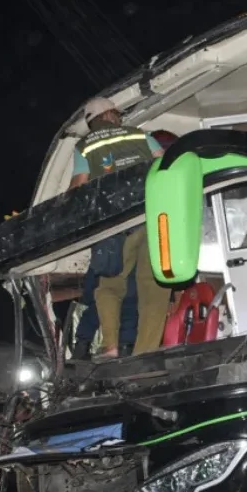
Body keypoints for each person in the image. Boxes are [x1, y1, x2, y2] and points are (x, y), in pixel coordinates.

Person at [68, 98, 172, 359]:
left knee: (109, 286)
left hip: (115, 225)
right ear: (112, 114)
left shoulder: (86, 146)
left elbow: (79, 188)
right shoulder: (142, 136)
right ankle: (145, 353)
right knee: (154, 287)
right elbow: (166, 168)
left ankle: (111, 346)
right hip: (151, 217)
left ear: (92, 122)